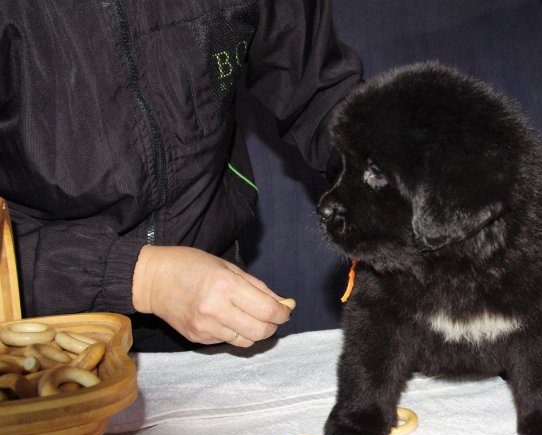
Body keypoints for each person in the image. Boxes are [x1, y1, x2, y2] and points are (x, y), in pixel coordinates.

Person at [0, 0, 362, 351]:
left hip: (208, 301)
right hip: (37, 318)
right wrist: (144, 278)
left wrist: (380, 179)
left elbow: (323, 93)